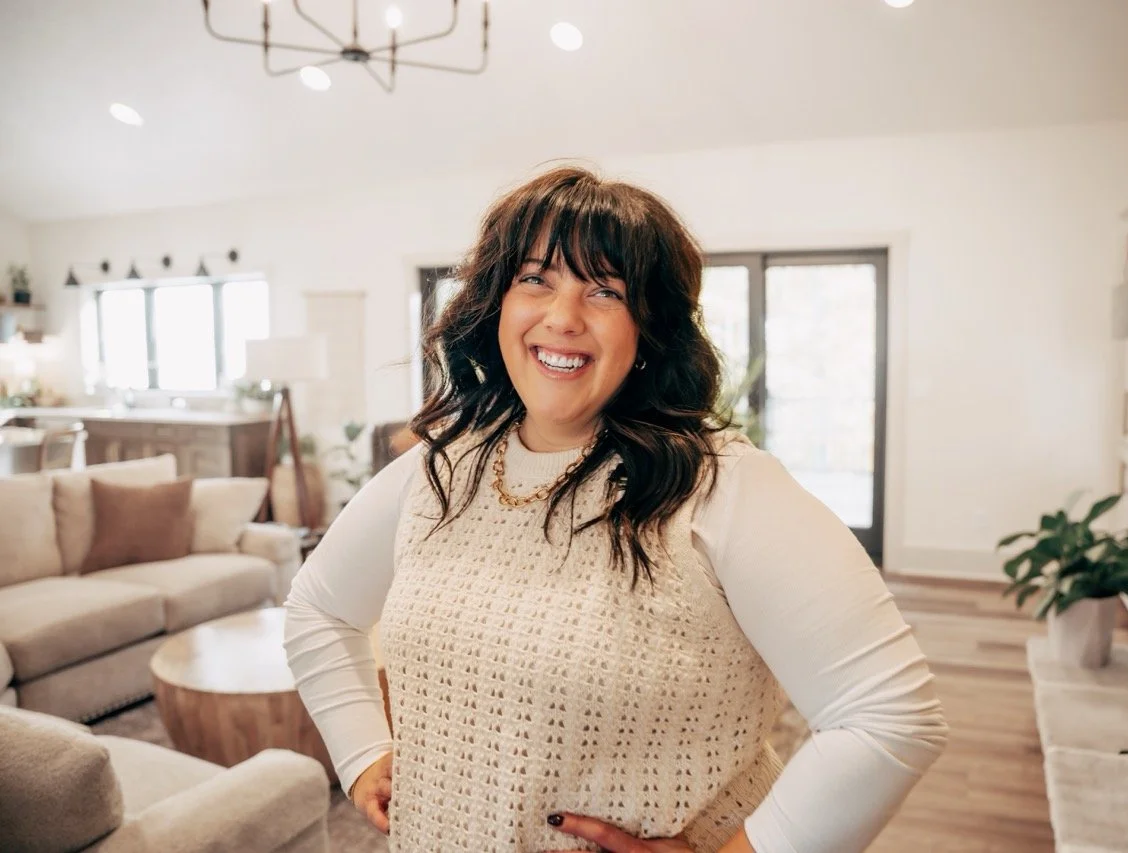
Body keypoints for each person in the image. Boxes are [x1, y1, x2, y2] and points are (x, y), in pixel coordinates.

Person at [283, 166, 948, 853]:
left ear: (648, 328)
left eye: (605, 290)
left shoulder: (723, 485)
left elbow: (890, 711)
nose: (563, 316)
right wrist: (361, 747)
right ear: (496, 304)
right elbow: (316, 609)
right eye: (535, 278)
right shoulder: (437, 470)